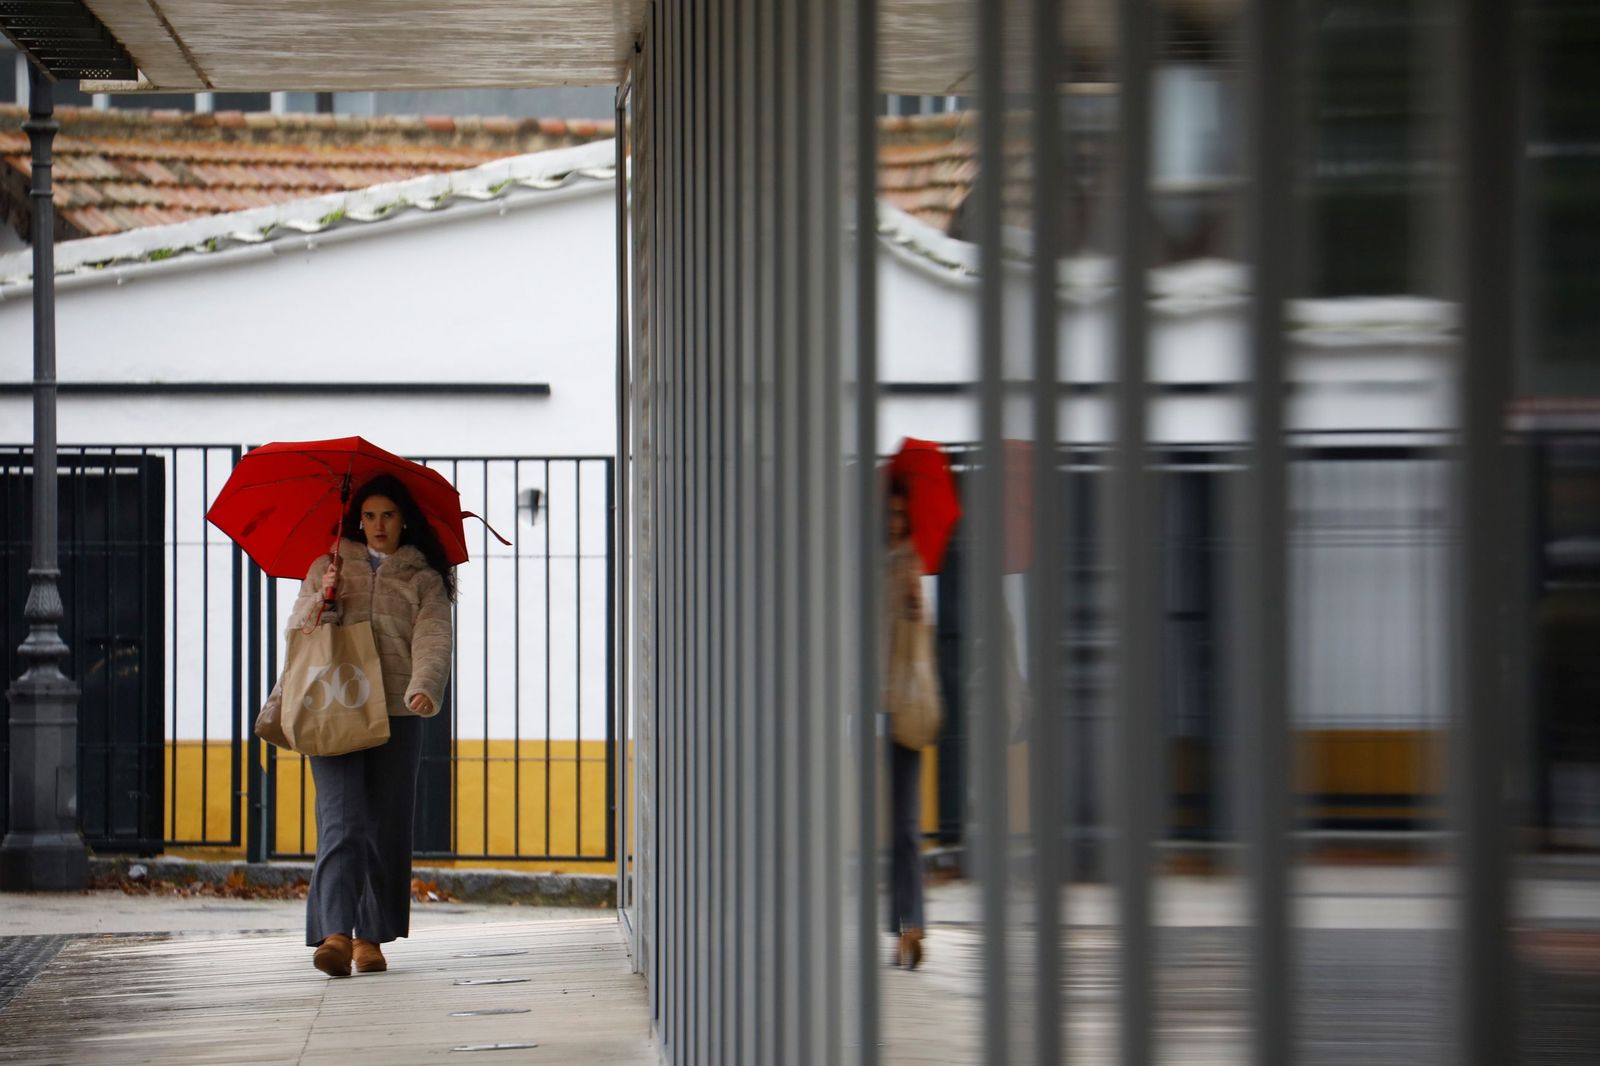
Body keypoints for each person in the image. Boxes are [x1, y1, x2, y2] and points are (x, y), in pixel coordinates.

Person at [277, 473, 455, 978]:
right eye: (370, 515)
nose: (378, 525)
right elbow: (300, 632)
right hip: (335, 706)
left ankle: (369, 938)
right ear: (358, 519)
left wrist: (425, 684)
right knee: (341, 820)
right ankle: (335, 934)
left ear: (405, 520)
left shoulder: (424, 578)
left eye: (389, 515)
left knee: (386, 826)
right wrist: (323, 599)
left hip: (398, 713)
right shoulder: (328, 565)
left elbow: (434, 637)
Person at [886, 476, 928, 969]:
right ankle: (901, 924)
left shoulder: (914, 566)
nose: (897, 523)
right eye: (891, 516)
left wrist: (916, 607)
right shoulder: (875, 567)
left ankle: (911, 925)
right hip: (876, 706)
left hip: (907, 710)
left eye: (902, 516)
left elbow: (919, 646)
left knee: (906, 825)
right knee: (892, 827)